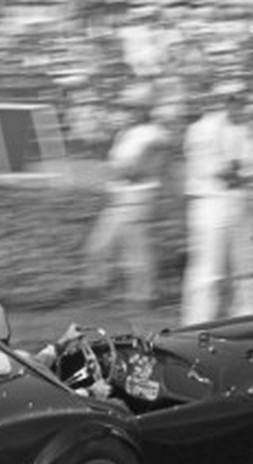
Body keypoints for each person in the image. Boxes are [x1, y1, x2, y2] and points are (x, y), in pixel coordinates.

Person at [181, 80, 253, 326]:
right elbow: (215, 170)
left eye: (240, 99)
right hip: (209, 202)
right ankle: (196, 323)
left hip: (240, 201)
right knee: (208, 270)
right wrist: (236, 169)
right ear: (219, 101)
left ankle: (250, 320)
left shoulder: (252, 129)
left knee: (248, 266)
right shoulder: (200, 129)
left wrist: (237, 170)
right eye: (230, 99)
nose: (235, 104)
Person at [82, 83, 169, 307]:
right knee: (98, 246)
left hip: (139, 197)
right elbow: (115, 166)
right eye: (128, 107)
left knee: (136, 252)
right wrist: (118, 173)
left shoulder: (156, 134)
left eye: (133, 107)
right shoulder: (125, 133)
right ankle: (101, 292)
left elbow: (141, 169)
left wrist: (122, 170)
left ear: (146, 108)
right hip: (119, 196)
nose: (128, 111)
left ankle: (143, 297)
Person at [0, 300, 111, 398]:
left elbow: (36, 364)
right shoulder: (18, 361)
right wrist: (92, 390)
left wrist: (65, 339)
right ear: (3, 326)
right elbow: (63, 398)